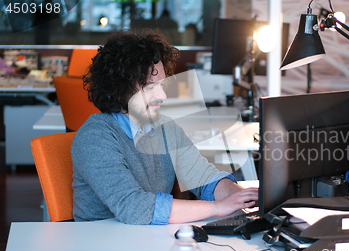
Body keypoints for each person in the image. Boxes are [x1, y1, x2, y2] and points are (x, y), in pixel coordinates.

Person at [71, 31, 258, 225]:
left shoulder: (166, 128)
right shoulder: (95, 137)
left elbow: (204, 178)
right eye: (150, 87)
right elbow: (134, 208)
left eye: (162, 85)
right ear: (120, 88)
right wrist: (217, 208)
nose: (162, 96)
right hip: (98, 245)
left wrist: (241, 197)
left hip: (147, 239)